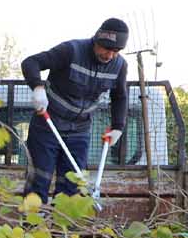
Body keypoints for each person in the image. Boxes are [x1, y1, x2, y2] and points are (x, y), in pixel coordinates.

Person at [20, 17, 129, 203]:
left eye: (116, 51)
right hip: (48, 125)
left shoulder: (119, 66)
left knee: (72, 186)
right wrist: (37, 88)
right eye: (106, 48)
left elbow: (119, 96)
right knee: (39, 180)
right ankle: (31, 229)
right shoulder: (71, 51)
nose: (110, 55)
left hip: (79, 131)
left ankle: (65, 231)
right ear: (96, 39)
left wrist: (118, 126)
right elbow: (31, 63)